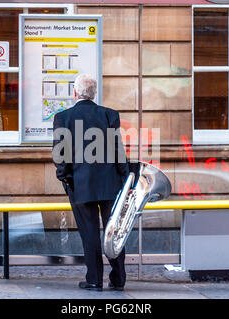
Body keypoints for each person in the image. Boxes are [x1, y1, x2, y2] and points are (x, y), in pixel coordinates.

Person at [52, 74, 129, 292]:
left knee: (90, 234)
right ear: (94, 93)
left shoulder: (63, 118)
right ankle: (118, 279)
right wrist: (124, 179)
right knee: (114, 232)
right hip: (110, 184)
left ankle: (94, 280)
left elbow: (60, 155)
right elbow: (118, 152)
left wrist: (65, 179)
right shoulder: (109, 115)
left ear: (74, 93)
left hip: (80, 184)